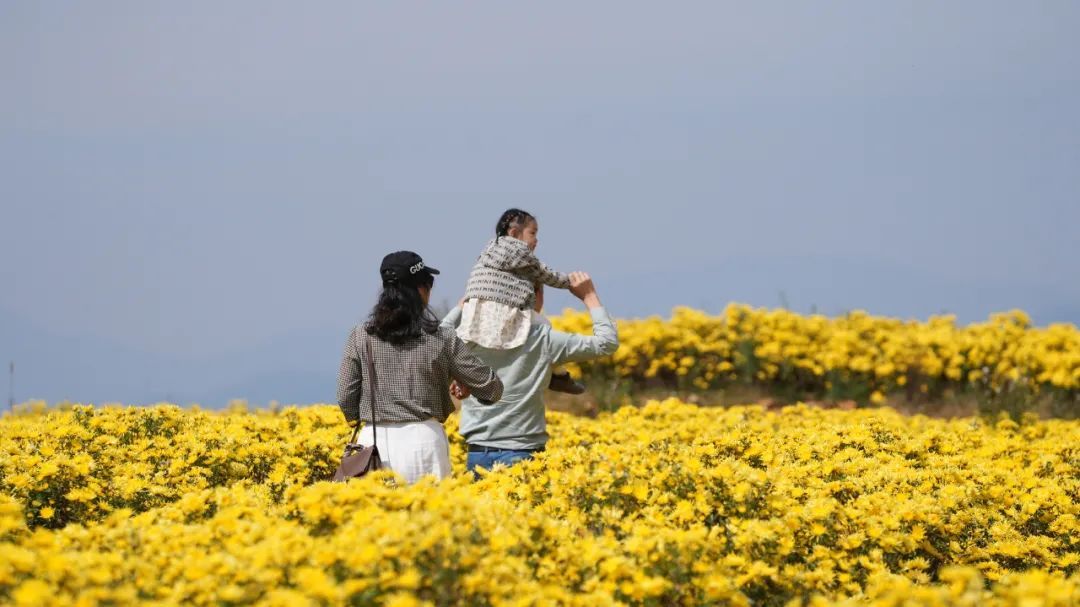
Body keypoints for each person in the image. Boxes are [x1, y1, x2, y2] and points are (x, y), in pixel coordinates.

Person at [337, 251, 504, 484]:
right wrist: (465, 382)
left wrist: (361, 417)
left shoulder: (360, 336)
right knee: (426, 518)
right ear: (420, 290)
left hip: (373, 444)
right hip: (424, 442)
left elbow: (346, 396)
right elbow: (491, 389)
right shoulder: (441, 338)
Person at [444, 271, 618, 475]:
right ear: (536, 295)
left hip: (478, 452)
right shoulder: (543, 338)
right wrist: (589, 296)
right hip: (524, 453)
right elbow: (606, 343)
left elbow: (437, 339)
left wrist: (459, 307)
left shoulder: (468, 335)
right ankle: (559, 375)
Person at [458, 208, 585, 394]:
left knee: (472, 350)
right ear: (514, 233)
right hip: (502, 309)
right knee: (543, 326)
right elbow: (545, 274)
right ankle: (559, 375)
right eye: (532, 233)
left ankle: (462, 377)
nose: (536, 240)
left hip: (475, 313)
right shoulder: (519, 251)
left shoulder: (488, 251)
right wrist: (570, 282)